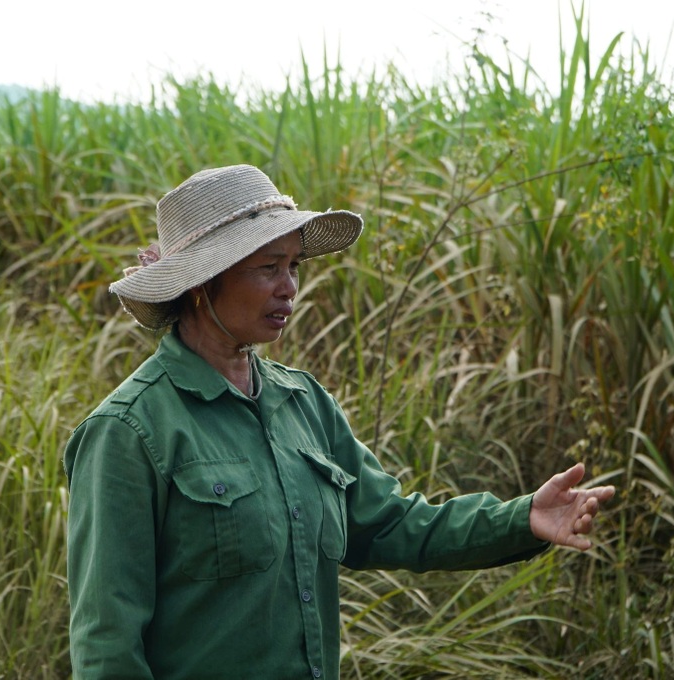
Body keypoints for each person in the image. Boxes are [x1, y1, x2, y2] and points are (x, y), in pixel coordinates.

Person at [63, 164, 616, 679]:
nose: (290, 287)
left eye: (293, 266)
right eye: (267, 268)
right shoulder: (129, 432)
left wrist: (522, 519)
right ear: (203, 284)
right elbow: (107, 641)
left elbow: (390, 524)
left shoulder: (303, 403)